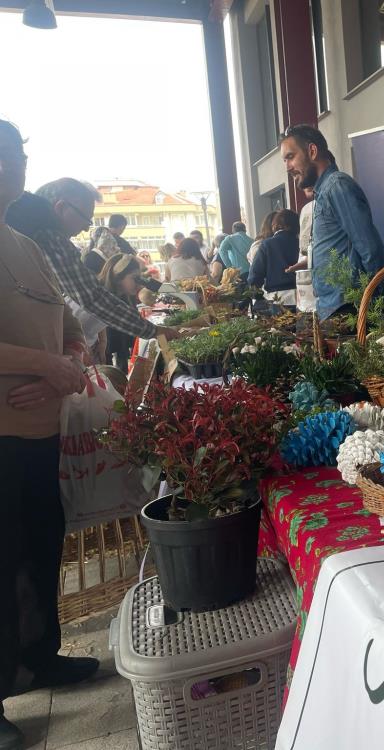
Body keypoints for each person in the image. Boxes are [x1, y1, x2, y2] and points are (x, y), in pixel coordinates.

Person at [0, 118, 98, 750]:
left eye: (18, 159)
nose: (16, 171)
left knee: (39, 546)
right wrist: (44, 366)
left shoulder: (22, 242)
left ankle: (38, 657)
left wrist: (67, 368)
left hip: (37, 435)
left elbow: (70, 326)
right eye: (7, 158)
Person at [6, 178, 178, 349]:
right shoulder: (49, 235)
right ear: (61, 207)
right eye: (85, 220)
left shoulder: (24, 221)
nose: (85, 229)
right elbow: (92, 298)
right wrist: (153, 331)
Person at [280, 124, 384, 319]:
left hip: (350, 309)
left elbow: (370, 249)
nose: (287, 167)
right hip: (335, 308)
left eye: (290, 157)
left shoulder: (336, 186)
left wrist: (378, 305)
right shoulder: (324, 192)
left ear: (312, 151)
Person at [97, 254, 145, 370]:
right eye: (135, 278)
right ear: (117, 278)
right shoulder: (102, 297)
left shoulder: (124, 296)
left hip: (111, 346)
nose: (139, 283)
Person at [248, 209, 299, 309]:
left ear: (275, 225)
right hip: (303, 296)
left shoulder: (267, 244)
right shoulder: (302, 242)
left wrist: (257, 297)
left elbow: (255, 275)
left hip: (277, 298)